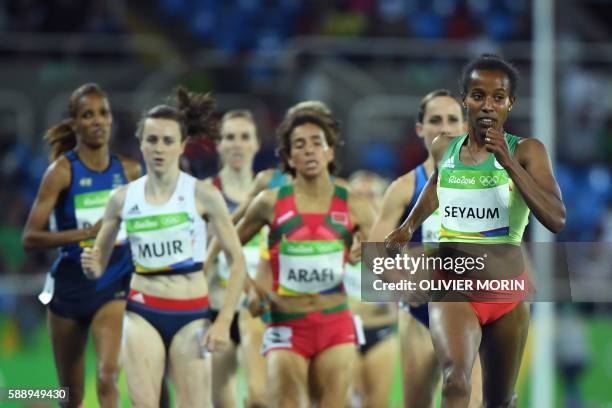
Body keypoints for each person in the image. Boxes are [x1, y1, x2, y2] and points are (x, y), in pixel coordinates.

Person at [386, 54, 566, 406]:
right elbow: (438, 184)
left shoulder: (527, 151)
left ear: (510, 103)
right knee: (455, 381)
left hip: (507, 296)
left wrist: (509, 164)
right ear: (465, 99)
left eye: (498, 97)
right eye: (478, 95)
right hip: (453, 289)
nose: (487, 105)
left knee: (497, 401)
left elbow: (556, 218)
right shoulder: (445, 148)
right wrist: (407, 227)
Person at [80, 87, 247, 406]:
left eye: (168, 141)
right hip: (142, 310)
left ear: (182, 146)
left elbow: (236, 260)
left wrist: (223, 321)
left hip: (193, 314)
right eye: (152, 140)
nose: (159, 148)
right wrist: (92, 266)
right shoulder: (122, 199)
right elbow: (98, 261)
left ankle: (376, 308)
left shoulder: (204, 194)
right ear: (140, 143)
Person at [234, 105, 375, 407]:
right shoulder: (269, 202)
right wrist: (248, 288)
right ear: (288, 157)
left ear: (330, 152)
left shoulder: (354, 203)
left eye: (317, 143)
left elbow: (389, 256)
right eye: (300, 145)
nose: (309, 150)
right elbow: (230, 246)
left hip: (335, 323)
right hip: (287, 324)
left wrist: (368, 248)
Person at [22, 83, 141, 408]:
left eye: (104, 113)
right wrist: (84, 234)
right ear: (75, 124)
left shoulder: (129, 171)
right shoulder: (61, 172)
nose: (98, 121)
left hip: (112, 283)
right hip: (70, 287)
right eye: (88, 115)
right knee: (69, 396)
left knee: (107, 374)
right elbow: (30, 238)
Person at [369, 89, 482, 407]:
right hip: (420, 314)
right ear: (420, 129)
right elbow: (375, 251)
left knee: (469, 399)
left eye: (451, 119)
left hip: (470, 311)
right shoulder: (405, 187)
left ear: (464, 127)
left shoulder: (486, 181)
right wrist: (403, 283)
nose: (443, 127)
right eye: (435, 120)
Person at [205, 109, 267, 408]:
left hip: (261, 310)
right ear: (218, 144)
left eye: (245, 137)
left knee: (259, 398)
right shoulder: (204, 192)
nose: (237, 144)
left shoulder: (270, 195)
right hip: (217, 309)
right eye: (229, 137)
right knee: (222, 402)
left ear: (256, 144)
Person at [344, 170, 398, 408]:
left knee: (376, 403)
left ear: (382, 200)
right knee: (346, 399)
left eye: (371, 195)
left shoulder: (396, 242)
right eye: (359, 195)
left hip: (382, 330)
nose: (365, 200)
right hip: (344, 332)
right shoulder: (336, 239)